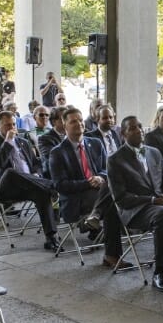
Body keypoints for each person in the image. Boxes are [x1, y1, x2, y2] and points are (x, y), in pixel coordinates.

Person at [107, 115, 163, 291]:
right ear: (123, 134)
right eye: (132, 128)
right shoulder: (115, 159)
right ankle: (159, 271)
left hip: (162, 202)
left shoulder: (154, 152)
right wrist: (152, 200)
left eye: (140, 126)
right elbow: (121, 198)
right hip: (136, 210)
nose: (139, 130)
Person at [48, 108, 123, 266]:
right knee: (112, 202)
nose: (79, 124)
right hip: (75, 199)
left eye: (80, 120)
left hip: (99, 192)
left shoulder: (95, 143)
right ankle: (111, 254)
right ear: (65, 124)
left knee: (111, 193)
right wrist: (87, 182)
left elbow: (105, 169)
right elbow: (59, 185)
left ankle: (97, 218)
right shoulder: (58, 152)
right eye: (73, 121)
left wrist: (100, 178)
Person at [0, 111, 60, 251]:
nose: (11, 128)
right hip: (5, 187)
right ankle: (52, 186)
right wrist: (8, 142)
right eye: (7, 125)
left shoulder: (23, 142)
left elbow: (36, 163)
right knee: (11, 172)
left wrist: (36, 173)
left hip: (29, 185)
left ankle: (51, 237)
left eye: (13, 124)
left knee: (42, 193)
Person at [36, 106, 67, 177]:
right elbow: (52, 159)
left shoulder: (71, 136)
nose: (67, 121)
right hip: (55, 176)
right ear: (54, 121)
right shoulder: (44, 139)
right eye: (64, 119)